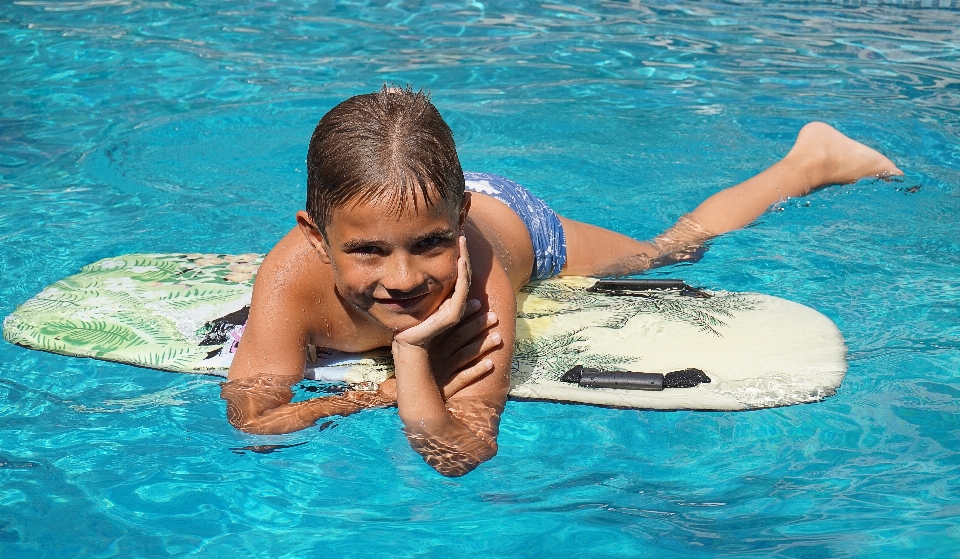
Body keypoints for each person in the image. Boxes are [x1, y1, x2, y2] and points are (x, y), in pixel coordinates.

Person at [221, 86, 901, 477]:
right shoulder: (290, 276)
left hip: (514, 224)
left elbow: (459, 450)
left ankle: (808, 161)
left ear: (454, 227)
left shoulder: (478, 278)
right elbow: (256, 423)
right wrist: (376, 398)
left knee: (663, 252)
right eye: (367, 252)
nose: (402, 280)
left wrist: (410, 354)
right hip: (429, 197)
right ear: (317, 236)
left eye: (428, 248)